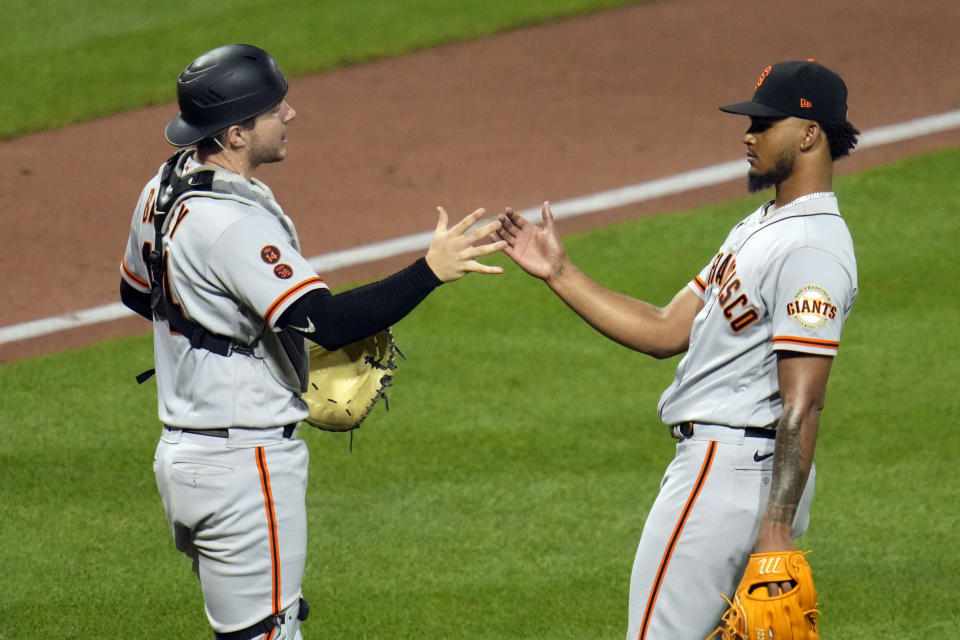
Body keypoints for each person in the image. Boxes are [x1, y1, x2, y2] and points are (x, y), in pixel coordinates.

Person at [119, 44, 505, 640]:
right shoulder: (232, 224)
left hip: (184, 458)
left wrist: (229, 329)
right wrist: (431, 269)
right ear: (236, 134)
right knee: (271, 632)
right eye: (275, 108)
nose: (290, 115)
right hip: (244, 466)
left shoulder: (162, 189)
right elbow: (324, 322)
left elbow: (137, 294)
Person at [495, 60, 859, 640]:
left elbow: (804, 401)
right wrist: (560, 273)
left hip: (731, 475)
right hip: (738, 471)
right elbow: (666, 328)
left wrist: (777, 525)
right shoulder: (763, 225)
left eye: (764, 123)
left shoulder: (812, 248)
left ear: (810, 133)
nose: (748, 134)